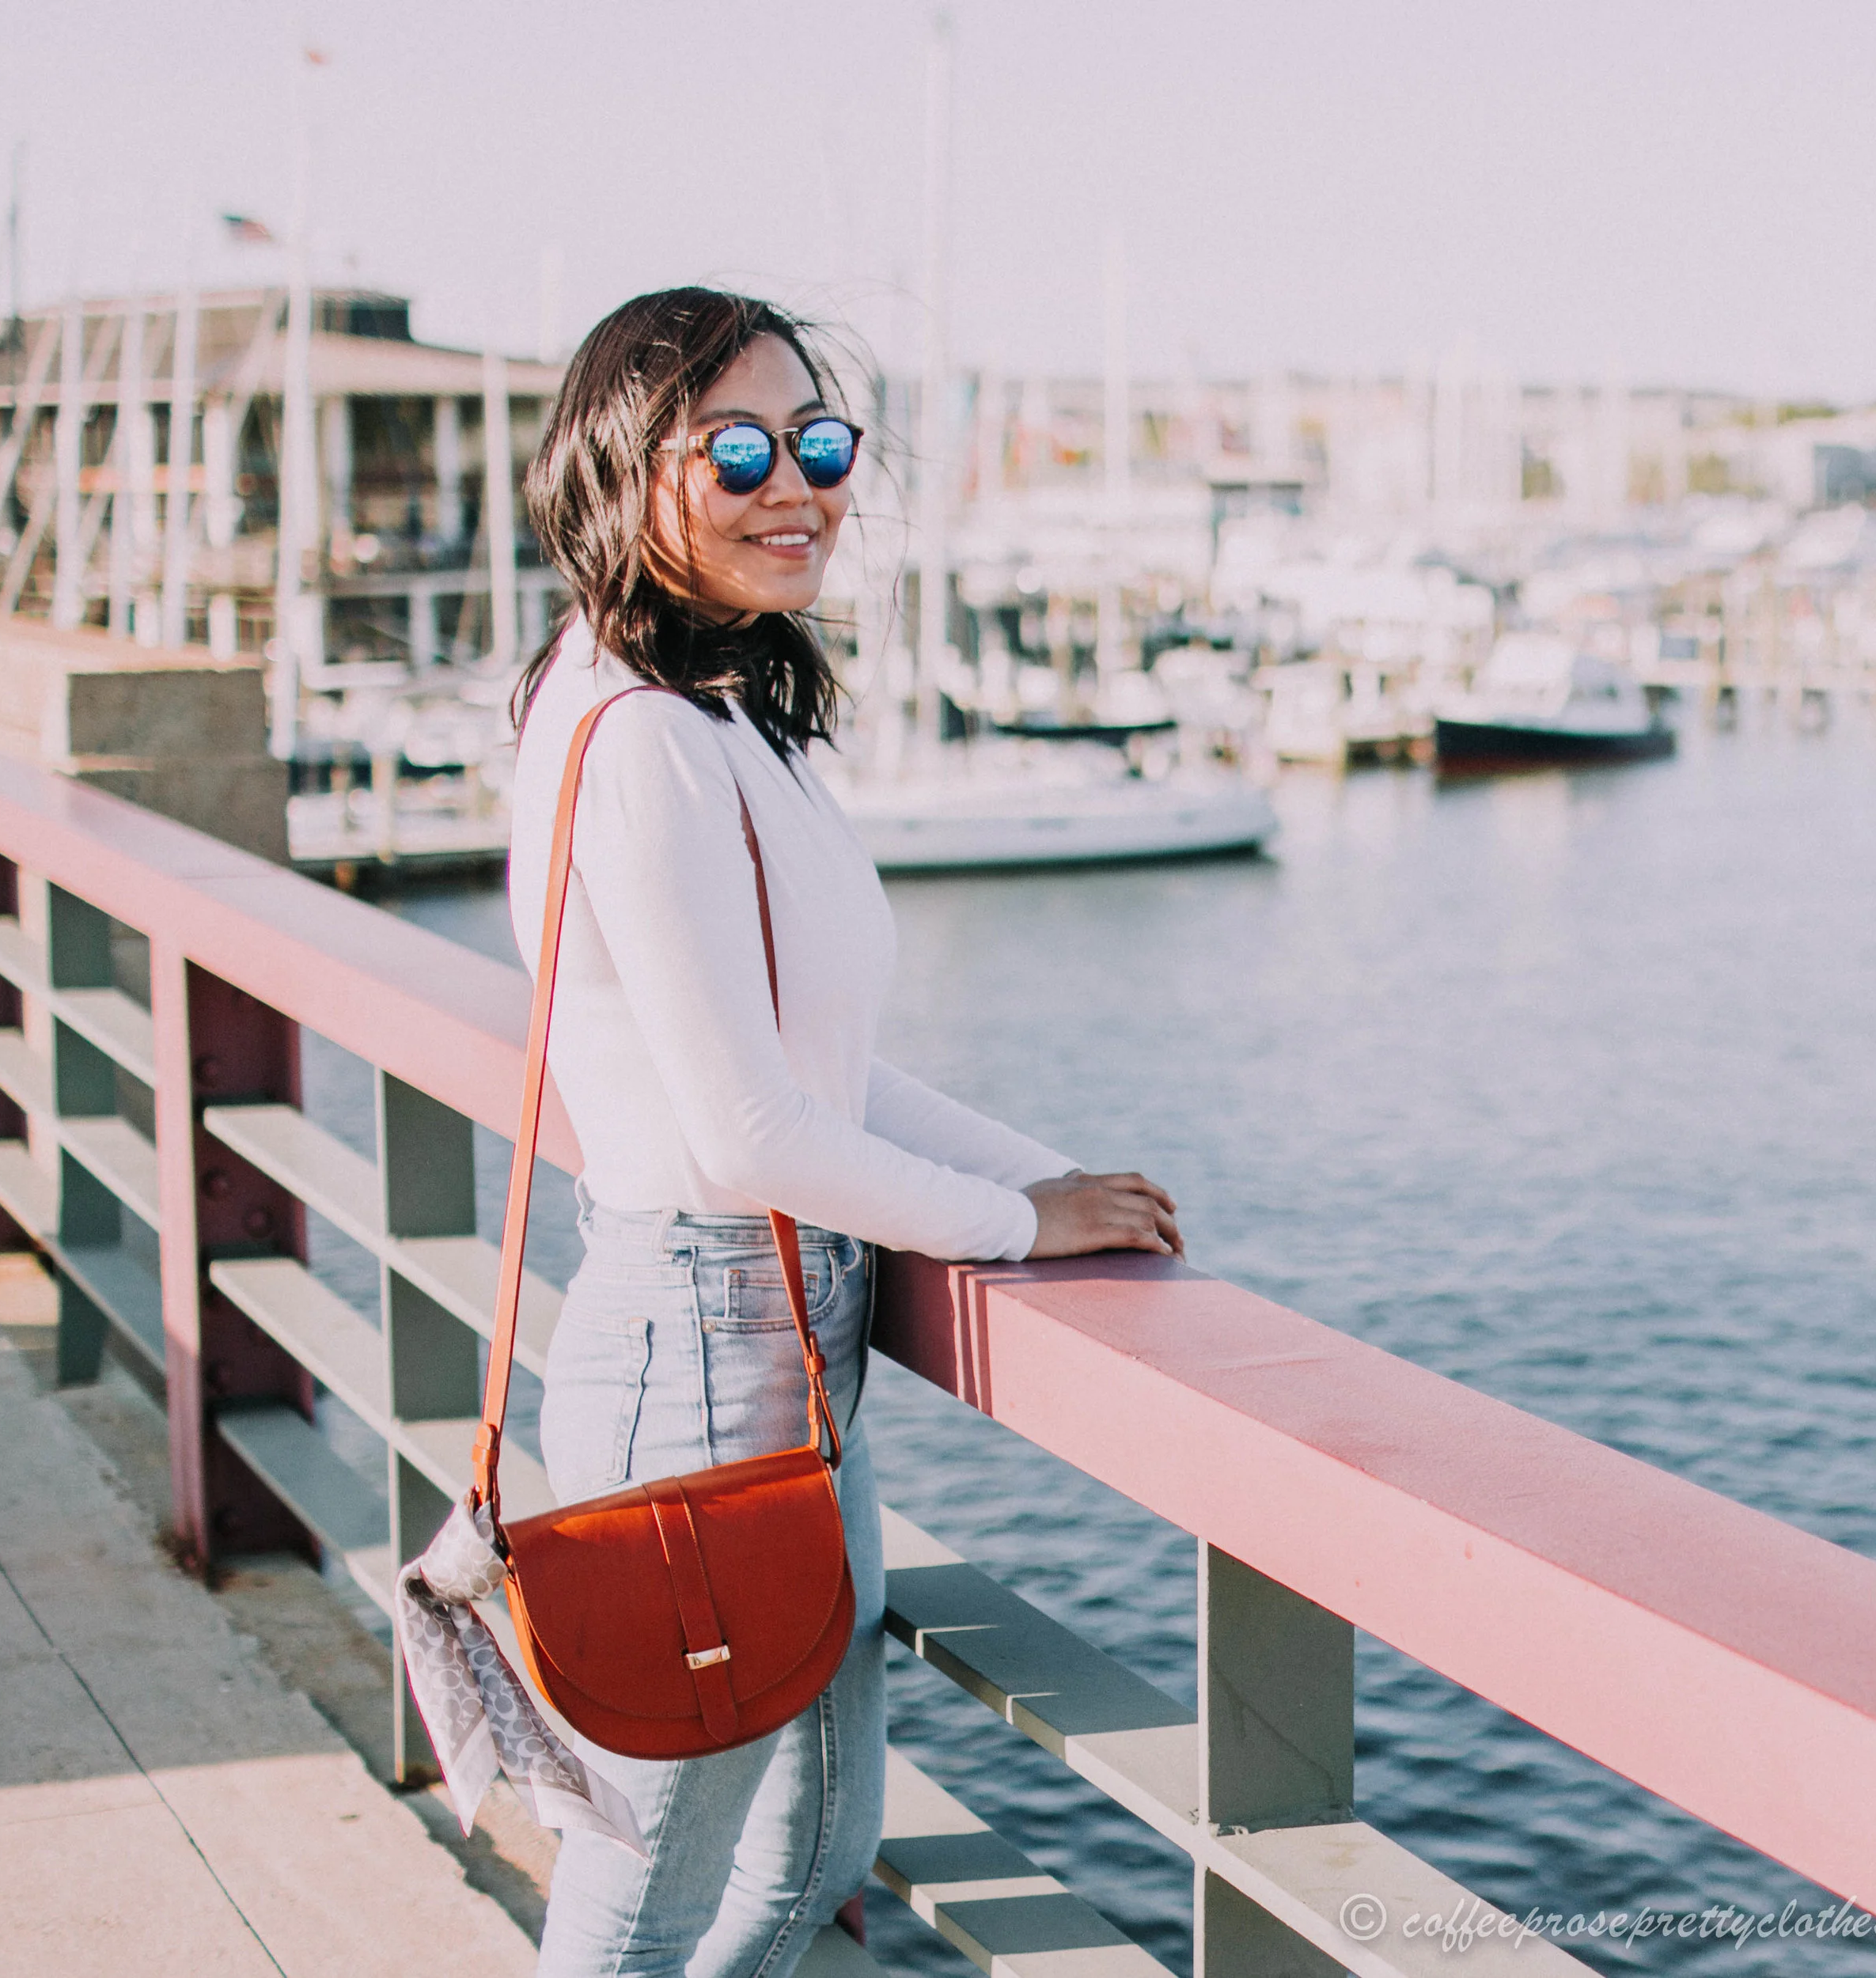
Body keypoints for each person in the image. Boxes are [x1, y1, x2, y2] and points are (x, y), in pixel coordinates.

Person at [507, 286, 1184, 1978]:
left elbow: (822, 1064)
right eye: (733, 447)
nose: (791, 482)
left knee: (819, 1834)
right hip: (698, 1347)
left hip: (792, 1343)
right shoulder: (639, 734)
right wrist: (1015, 1226)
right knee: (650, 1860)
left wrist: (1030, 1177)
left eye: (816, 441)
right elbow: (746, 1129)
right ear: (618, 465)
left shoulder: (730, 702)